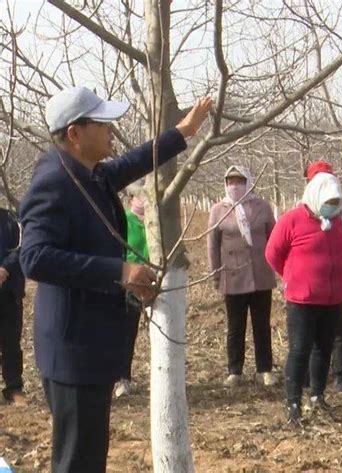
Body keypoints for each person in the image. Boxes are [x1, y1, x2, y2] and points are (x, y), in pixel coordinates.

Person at [19, 86, 212, 472]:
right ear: (75, 134)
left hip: (91, 347)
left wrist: (182, 132)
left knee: (90, 456)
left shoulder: (89, 173)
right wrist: (118, 271)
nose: (111, 128)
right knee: (77, 461)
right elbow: (34, 258)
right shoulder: (54, 182)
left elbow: (132, 162)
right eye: (102, 122)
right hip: (72, 351)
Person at [265, 172, 342, 422]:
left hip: (333, 298)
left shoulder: (337, 221)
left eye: (335, 202)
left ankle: (317, 395)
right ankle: (293, 403)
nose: (331, 206)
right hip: (302, 300)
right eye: (328, 201)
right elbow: (272, 253)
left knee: (323, 348)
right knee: (300, 349)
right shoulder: (292, 220)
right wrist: (291, 276)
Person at [207, 165, 277, 387]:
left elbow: (274, 238)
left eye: (239, 181)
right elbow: (212, 244)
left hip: (260, 275)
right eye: (230, 182)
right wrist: (215, 273)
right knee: (235, 325)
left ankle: (264, 369)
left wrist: (278, 267)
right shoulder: (219, 210)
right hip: (233, 275)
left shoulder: (262, 207)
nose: (235, 186)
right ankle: (234, 370)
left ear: (248, 182)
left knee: (261, 324)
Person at [305, 160, 342, 393]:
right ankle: (310, 377)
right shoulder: (303, 206)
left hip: (334, 279)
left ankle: (340, 376)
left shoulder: (341, 205)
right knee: (307, 331)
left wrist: (332, 250)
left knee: (337, 331)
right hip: (308, 283)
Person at [114, 184, 149, 398]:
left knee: (133, 332)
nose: (143, 200)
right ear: (131, 199)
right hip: (128, 284)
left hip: (152, 283)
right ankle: (121, 378)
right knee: (124, 332)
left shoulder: (156, 222)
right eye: (140, 196)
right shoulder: (124, 220)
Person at [0, 207, 26, 405]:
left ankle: (14, 387)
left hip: (9, 292)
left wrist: (5, 269)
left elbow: (22, 249)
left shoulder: (11, 220)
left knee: (11, 341)